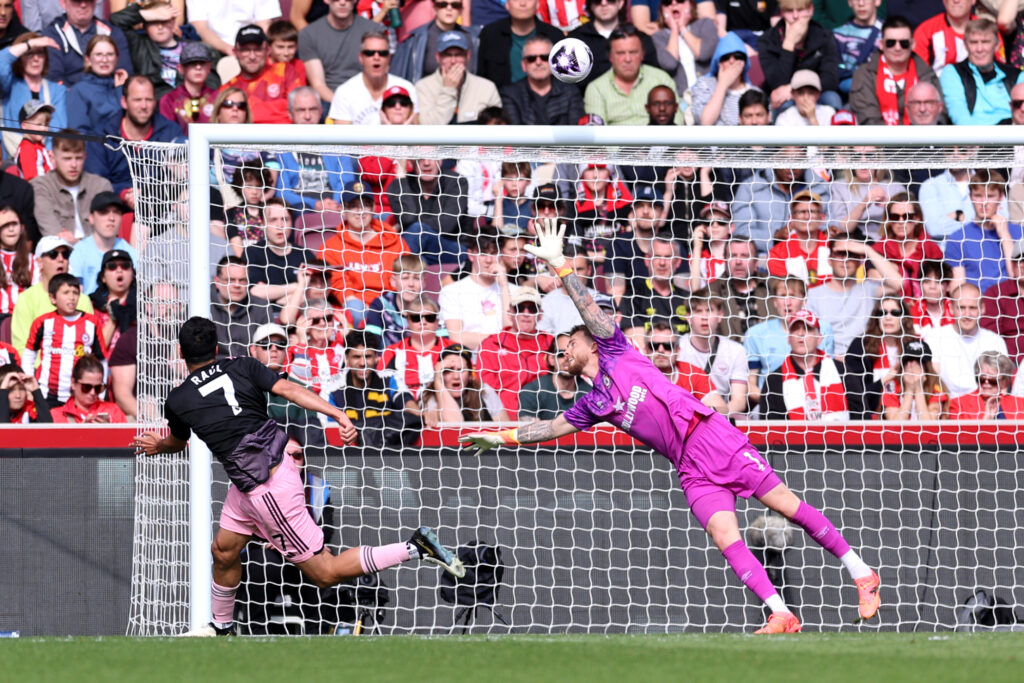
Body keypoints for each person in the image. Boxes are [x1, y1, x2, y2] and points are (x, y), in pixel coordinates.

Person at [460, 219, 880, 634]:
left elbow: (588, 307)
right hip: (689, 466)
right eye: (561, 347)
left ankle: (860, 571)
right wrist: (500, 437)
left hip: (711, 436)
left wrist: (561, 266)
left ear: (589, 341)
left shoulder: (616, 349)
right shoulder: (595, 402)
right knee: (723, 536)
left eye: (570, 342)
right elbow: (550, 428)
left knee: (785, 505)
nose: (563, 350)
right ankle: (780, 613)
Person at [132, 316, 464, 637]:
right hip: (248, 484)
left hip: (268, 486)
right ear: (217, 348)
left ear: (179, 351)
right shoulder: (242, 365)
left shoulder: (177, 399)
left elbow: (177, 442)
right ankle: (222, 627)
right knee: (224, 550)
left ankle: (415, 547)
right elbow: (288, 389)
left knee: (325, 573)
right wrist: (335, 412)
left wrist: (156, 445)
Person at [84, 75, 183, 210]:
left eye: (148, 100)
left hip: (163, 209)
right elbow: (95, 180)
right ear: (124, 102)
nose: (144, 106)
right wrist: (124, 193)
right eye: (137, 100)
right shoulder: (103, 135)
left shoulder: (171, 132)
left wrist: (149, 194)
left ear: (155, 102)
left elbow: (182, 177)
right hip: (113, 209)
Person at [319, 181, 410, 326]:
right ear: (343, 210)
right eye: (353, 206)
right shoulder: (331, 247)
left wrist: (383, 306)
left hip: (391, 305)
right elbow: (337, 283)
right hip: (356, 307)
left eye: (365, 205)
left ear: (373, 208)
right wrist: (352, 300)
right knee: (355, 310)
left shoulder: (395, 242)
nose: (360, 211)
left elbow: (405, 276)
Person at [805, 236, 904, 359]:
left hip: (864, 362)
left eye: (851, 254)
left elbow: (899, 284)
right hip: (828, 365)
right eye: (840, 254)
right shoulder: (813, 295)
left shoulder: (869, 289)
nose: (845, 260)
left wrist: (867, 250)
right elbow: (808, 337)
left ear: (859, 261)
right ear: (830, 260)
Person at [22, 272, 107, 405]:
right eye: (66, 292)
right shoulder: (43, 322)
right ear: (53, 298)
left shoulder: (91, 322)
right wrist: (29, 388)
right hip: (46, 394)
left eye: (75, 292)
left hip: (80, 396)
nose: (72, 297)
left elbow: (101, 360)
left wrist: (100, 392)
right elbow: (29, 354)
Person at [759, 308, 850, 421]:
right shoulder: (774, 380)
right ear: (788, 338)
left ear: (819, 338)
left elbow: (861, 417)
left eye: (808, 329)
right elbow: (770, 427)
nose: (801, 333)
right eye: (795, 329)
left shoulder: (842, 372)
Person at [476, 287, 553, 418]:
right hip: (504, 419)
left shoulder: (552, 344)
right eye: (520, 308)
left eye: (532, 309)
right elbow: (486, 391)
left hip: (546, 418)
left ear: (540, 315)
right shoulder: (491, 345)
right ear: (510, 313)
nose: (526, 313)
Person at [850, 15, 940, 125]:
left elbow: (939, 114)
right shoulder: (864, 74)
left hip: (921, 139)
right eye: (890, 43)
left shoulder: (927, 73)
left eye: (904, 43)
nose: (897, 48)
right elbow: (868, 118)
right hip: (877, 140)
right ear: (881, 44)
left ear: (913, 45)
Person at [924, 282, 1008, 399]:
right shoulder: (935, 337)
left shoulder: (995, 341)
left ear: (982, 308)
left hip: (984, 407)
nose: (967, 314)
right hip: (947, 407)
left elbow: (1002, 388)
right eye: (961, 308)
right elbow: (933, 382)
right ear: (951, 308)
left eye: (972, 308)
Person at [584, 25, 681, 126]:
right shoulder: (596, 89)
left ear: (642, 54)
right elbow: (597, 134)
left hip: (657, 140)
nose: (628, 59)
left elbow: (677, 123)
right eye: (620, 53)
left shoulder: (661, 79)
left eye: (633, 52)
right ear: (610, 57)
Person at [945, 170, 1023, 294]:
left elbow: (1016, 275)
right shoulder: (958, 238)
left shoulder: (1019, 233)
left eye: (990, 196)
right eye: (978, 196)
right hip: (977, 307)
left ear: (1001, 197)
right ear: (970, 197)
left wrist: (1005, 235)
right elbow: (958, 292)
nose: (984, 202)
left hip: (1013, 304)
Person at [10, 235, 93, 351]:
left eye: (65, 254)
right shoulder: (26, 299)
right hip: (38, 367)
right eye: (53, 254)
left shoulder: (83, 299)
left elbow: (91, 344)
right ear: (39, 262)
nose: (61, 259)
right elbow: (21, 347)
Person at [110, 0, 204, 102]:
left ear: (173, 23)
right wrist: (144, 14)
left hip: (189, 101)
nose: (160, 27)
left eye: (164, 21)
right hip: (155, 103)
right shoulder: (139, 44)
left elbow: (210, 79)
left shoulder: (192, 48)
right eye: (154, 22)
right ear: (145, 27)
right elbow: (116, 20)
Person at [757, 0, 841, 114]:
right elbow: (777, 83)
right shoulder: (767, 40)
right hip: (785, 97)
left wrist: (795, 88)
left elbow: (831, 80)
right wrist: (789, 44)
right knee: (784, 102)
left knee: (832, 98)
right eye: (789, 11)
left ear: (810, 10)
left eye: (800, 10)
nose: (795, 16)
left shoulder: (824, 37)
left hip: (815, 92)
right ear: (782, 12)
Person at [842, 296, 918, 419]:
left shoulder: (915, 347)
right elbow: (855, 396)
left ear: (904, 317)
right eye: (882, 313)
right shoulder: (860, 346)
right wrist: (885, 379)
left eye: (895, 313)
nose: (888, 317)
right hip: (870, 421)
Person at [31, 131, 112, 244]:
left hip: (98, 253)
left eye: (78, 158)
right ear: (52, 158)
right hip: (60, 255)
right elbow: (52, 234)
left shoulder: (101, 186)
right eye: (67, 158)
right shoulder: (40, 187)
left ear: (85, 157)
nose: (74, 165)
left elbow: (107, 232)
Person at [297, 0, 384, 105]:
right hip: (329, 100)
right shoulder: (308, 34)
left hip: (366, 97)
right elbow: (318, 84)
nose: (342, 2)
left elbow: (378, 77)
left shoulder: (373, 31)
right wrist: (342, 106)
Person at [939, 18, 1022, 126]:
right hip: (973, 137)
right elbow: (958, 112)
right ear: (965, 45)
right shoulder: (952, 72)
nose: (979, 49)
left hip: (1011, 136)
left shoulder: (1016, 75)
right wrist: (974, 139)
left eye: (985, 42)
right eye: (973, 42)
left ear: (997, 45)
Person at [388, 158, 470, 265]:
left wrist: (404, 225)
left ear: (440, 161)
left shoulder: (456, 181)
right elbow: (408, 218)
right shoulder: (400, 184)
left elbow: (445, 225)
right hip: (418, 249)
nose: (426, 163)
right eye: (420, 159)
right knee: (419, 259)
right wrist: (400, 174)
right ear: (411, 163)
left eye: (431, 158)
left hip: (453, 248)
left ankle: (394, 276)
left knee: (417, 230)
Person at [0, 33, 69, 161]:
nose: (36, 59)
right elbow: (1, 60)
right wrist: (29, 44)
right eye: (29, 54)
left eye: (40, 53)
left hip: (46, 160)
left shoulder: (57, 90)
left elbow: (59, 129)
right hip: (11, 158)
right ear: (19, 58)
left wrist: (45, 156)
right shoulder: (8, 86)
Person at [438, 229, 510, 350]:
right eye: (482, 254)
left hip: (508, 361)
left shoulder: (513, 291)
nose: (488, 260)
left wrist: (504, 287)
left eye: (493, 253)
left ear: (501, 256)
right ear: (470, 255)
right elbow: (457, 338)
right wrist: (503, 340)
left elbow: (515, 334)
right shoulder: (451, 292)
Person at [328, 31, 417, 125]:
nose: (376, 57)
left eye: (382, 53)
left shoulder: (407, 88)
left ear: (389, 58)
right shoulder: (344, 92)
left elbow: (415, 132)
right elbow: (343, 137)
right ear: (361, 57)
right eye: (369, 53)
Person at [568, 0, 658, 91]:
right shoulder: (575, 40)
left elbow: (652, 73)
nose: (603, 3)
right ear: (590, 5)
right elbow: (569, 81)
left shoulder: (639, 38)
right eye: (597, 1)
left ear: (621, 3)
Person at [415, 30, 501, 125]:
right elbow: (428, 128)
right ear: (438, 57)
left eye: (459, 54)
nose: (453, 61)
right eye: (447, 55)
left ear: (468, 56)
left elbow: (497, 127)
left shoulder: (487, 87)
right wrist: (448, 90)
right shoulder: (423, 86)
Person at [475, 0, 564, 89]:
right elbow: (482, 77)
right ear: (507, 4)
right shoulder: (490, 34)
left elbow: (564, 77)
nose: (522, 3)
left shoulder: (555, 36)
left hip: (549, 100)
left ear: (537, 4)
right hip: (501, 100)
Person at [42, 0, 133, 86]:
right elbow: (53, 78)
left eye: (88, 0)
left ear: (95, 2)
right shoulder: (52, 34)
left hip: (108, 95)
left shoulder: (113, 33)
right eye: (76, 1)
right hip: (68, 96)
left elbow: (124, 73)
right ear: (63, 3)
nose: (83, 5)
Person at [500, 35, 585, 126]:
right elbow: (513, 134)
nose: (538, 62)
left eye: (545, 57)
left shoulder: (571, 92)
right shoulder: (510, 94)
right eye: (531, 58)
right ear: (523, 65)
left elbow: (576, 133)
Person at [872, 194, 944, 299]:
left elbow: (940, 286)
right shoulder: (879, 249)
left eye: (907, 217)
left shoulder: (930, 249)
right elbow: (874, 286)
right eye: (895, 217)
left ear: (917, 218)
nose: (901, 222)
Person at [244, 198, 312, 309]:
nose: (280, 225)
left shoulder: (305, 254)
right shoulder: (252, 253)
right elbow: (256, 292)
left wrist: (276, 295)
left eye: (285, 219)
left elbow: (313, 293)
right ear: (262, 223)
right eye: (273, 220)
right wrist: (297, 286)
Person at [391, 0, 481, 83]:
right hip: (427, 97)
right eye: (443, 5)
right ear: (434, 8)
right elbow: (398, 77)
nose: (449, 9)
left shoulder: (473, 38)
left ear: (461, 10)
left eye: (455, 5)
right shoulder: (416, 39)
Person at [421, 342, 509, 424]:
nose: (456, 376)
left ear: (470, 374)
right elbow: (454, 425)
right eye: (449, 370)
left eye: (461, 370)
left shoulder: (483, 391)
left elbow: (505, 427)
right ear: (440, 373)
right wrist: (438, 382)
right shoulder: (430, 396)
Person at [68, 192, 137, 295]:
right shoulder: (79, 252)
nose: (111, 218)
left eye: (117, 212)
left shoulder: (132, 253)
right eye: (104, 212)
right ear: (91, 218)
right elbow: (76, 294)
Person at [650, 0, 718, 97]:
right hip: (680, 99)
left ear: (690, 4)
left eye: (680, 0)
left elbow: (703, 53)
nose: (674, 3)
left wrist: (682, 28)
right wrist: (674, 29)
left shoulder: (705, 24)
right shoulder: (659, 36)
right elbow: (669, 64)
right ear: (662, 9)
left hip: (709, 95)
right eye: (668, 2)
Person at [690, 32, 758, 127]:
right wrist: (723, 84)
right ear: (718, 62)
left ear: (744, 62)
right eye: (726, 57)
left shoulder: (755, 92)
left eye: (738, 56)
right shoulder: (704, 84)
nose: (732, 61)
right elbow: (705, 122)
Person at [210, 255, 273, 358]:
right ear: (217, 282)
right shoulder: (202, 306)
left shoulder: (261, 307)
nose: (237, 285)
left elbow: (267, 351)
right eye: (230, 280)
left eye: (242, 280)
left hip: (250, 370)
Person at [767, 190, 832, 287]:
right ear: (791, 218)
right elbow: (785, 291)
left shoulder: (834, 249)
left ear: (822, 218)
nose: (807, 217)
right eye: (801, 212)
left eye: (812, 211)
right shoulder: (777, 255)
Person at [518, 332, 589, 421]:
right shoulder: (533, 391)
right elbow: (527, 430)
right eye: (561, 354)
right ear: (551, 359)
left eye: (573, 354)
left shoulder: (590, 393)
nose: (567, 358)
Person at [709, 237, 768, 341]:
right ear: (725, 260)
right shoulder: (711, 292)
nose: (738, 261)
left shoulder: (773, 287)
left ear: (756, 262)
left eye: (745, 256)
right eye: (733, 256)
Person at [159, 42, 219, 134]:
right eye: (192, 63)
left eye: (202, 63)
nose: (198, 67)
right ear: (180, 69)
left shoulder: (218, 97)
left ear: (209, 68)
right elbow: (167, 136)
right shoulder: (169, 100)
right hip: (179, 147)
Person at [880, 338, 947, 420]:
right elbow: (895, 426)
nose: (912, 365)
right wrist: (909, 390)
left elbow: (929, 427)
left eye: (918, 361)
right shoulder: (892, 385)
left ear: (926, 366)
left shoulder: (935, 386)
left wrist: (919, 389)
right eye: (909, 360)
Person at [981, 238, 1024, 364]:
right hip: (1008, 365)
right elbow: (990, 337)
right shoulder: (996, 294)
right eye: (1018, 260)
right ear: (1012, 265)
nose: (1022, 265)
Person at [913, 0, 983, 76]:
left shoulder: (986, 30)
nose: (956, 1)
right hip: (937, 85)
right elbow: (918, 74)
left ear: (973, 1)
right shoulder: (926, 31)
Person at [51, 353, 127, 423]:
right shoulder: (56, 415)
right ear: (73, 383)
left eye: (98, 388)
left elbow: (126, 437)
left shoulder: (113, 411)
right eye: (87, 387)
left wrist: (108, 432)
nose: (92, 392)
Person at [948, 350, 1024, 419]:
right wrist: (986, 420)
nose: (986, 383)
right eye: (982, 379)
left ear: (1005, 382)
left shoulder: (1020, 405)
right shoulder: (958, 405)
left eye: (992, 380)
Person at [832, 0, 883, 96]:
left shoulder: (889, 35)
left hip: (878, 91)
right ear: (850, 2)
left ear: (877, 1)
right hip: (846, 93)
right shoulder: (838, 35)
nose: (861, 3)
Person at [0, 206, 36, 322]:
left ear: (22, 227)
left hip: (24, 320)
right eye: (5, 225)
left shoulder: (33, 260)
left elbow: (38, 296)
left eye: (14, 224)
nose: (11, 229)